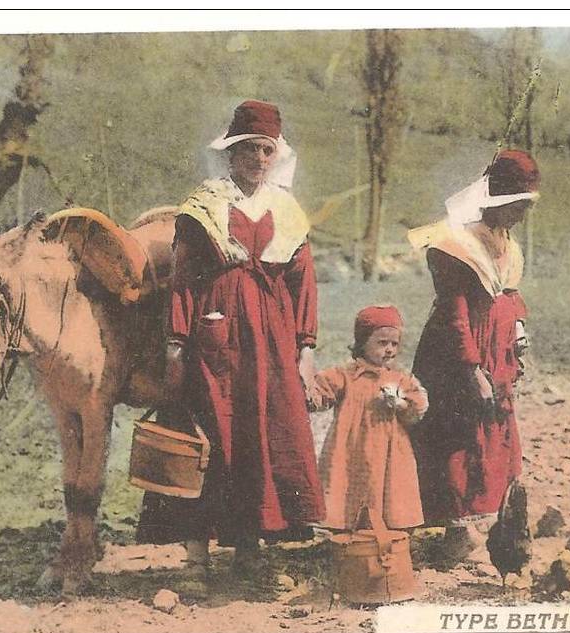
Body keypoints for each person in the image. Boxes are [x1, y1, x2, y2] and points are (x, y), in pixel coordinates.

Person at [136, 100, 325, 574]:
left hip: (274, 336)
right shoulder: (204, 205)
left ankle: (248, 549)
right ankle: (196, 556)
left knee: (263, 433)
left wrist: (305, 347)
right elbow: (184, 276)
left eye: (266, 150)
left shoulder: (286, 209)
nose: (258, 159)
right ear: (231, 152)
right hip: (216, 331)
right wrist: (178, 341)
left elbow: (302, 278)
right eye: (248, 149)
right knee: (214, 433)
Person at [410, 149, 539, 554]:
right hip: (457, 351)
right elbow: (455, 313)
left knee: (492, 431)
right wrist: (471, 368)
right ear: (496, 202)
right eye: (516, 205)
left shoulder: (509, 243)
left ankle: (485, 517)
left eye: (524, 207)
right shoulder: (456, 245)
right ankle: (452, 527)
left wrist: (517, 331)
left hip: (496, 347)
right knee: (455, 433)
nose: (520, 214)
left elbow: (511, 295)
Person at [308, 305, 428, 531]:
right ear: (362, 342)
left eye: (395, 343)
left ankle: (384, 538)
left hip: (389, 451)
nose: (390, 350)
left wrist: (400, 403)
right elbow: (320, 392)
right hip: (351, 448)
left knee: (385, 489)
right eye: (382, 343)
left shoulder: (399, 378)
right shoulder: (346, 375)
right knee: (349, 486)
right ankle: (350, 538)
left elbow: (418, 407)